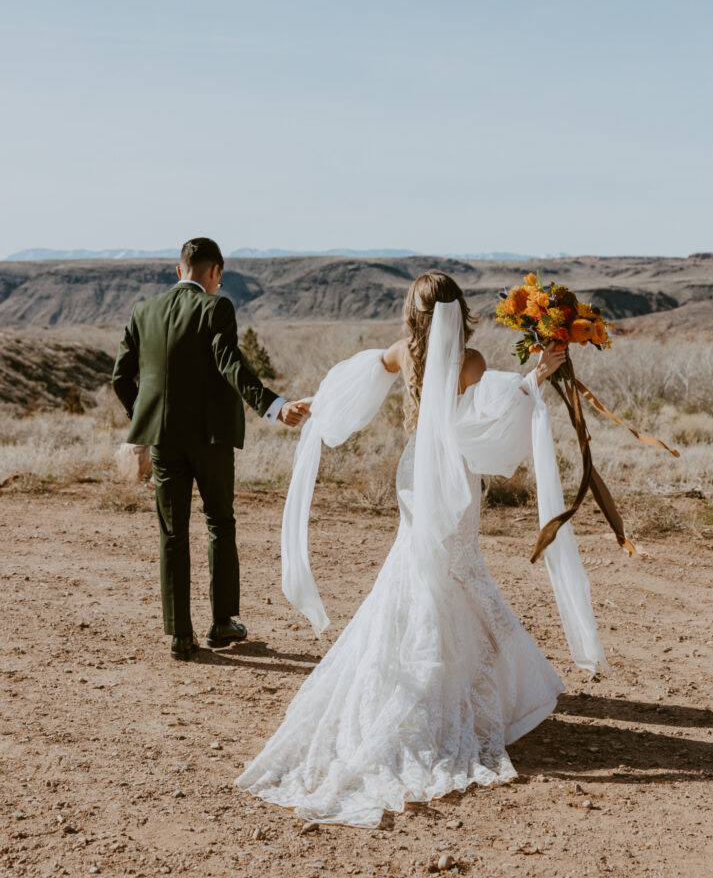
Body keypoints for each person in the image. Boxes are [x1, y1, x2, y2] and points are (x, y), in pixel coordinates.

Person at [236, 270, 608, 828]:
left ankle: (419, 678)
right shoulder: (471, 361)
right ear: (458, 311)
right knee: (454, 570)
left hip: (414, 474)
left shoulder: (402, 354)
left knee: (422, 569)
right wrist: (535, 376)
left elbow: (357, 378)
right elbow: (486, 418)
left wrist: (319, 400)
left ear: (415, 313)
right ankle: (449, 688)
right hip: (452, 480)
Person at [112, 237, 309, 661]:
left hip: (164, 442)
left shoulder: (143, 312)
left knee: (172, 532)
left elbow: (120, 377)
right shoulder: (216, 307)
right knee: (219, 523)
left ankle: (180, 635)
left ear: (179, 270)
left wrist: (145, 419)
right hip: (211, 440)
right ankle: (222, 622)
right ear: (215, 273)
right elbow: (229, 362)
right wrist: (273, 407)